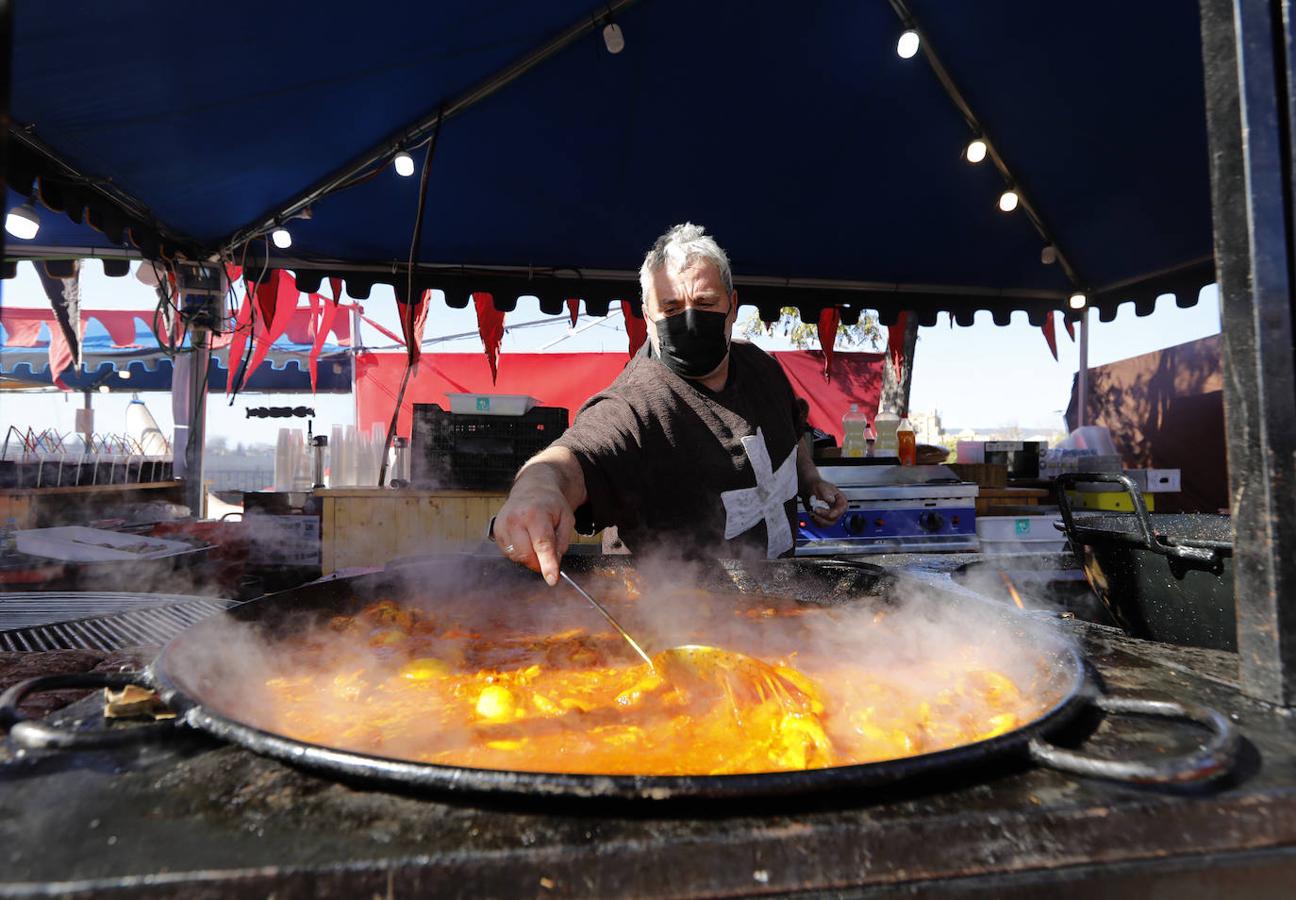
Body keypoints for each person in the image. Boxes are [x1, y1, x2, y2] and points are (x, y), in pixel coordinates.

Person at [493, 223, 847, 584]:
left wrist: (810, 480)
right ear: (648, 317)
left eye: (706, 303)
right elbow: (579, 453)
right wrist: (537, 488)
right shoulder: (636, 402)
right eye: (671, 307)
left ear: (733, 305)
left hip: (785, 602)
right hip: (673, 619)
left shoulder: (763, 367)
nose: (690, 319)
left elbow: (790, 430)